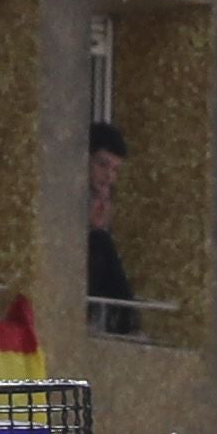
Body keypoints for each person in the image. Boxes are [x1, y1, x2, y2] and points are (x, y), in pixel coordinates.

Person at [83, 118, 137, 333]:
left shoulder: (102, 199)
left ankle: (123, 318)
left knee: (101, 241)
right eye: (102, 164)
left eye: (115, 170)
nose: (109, 176)